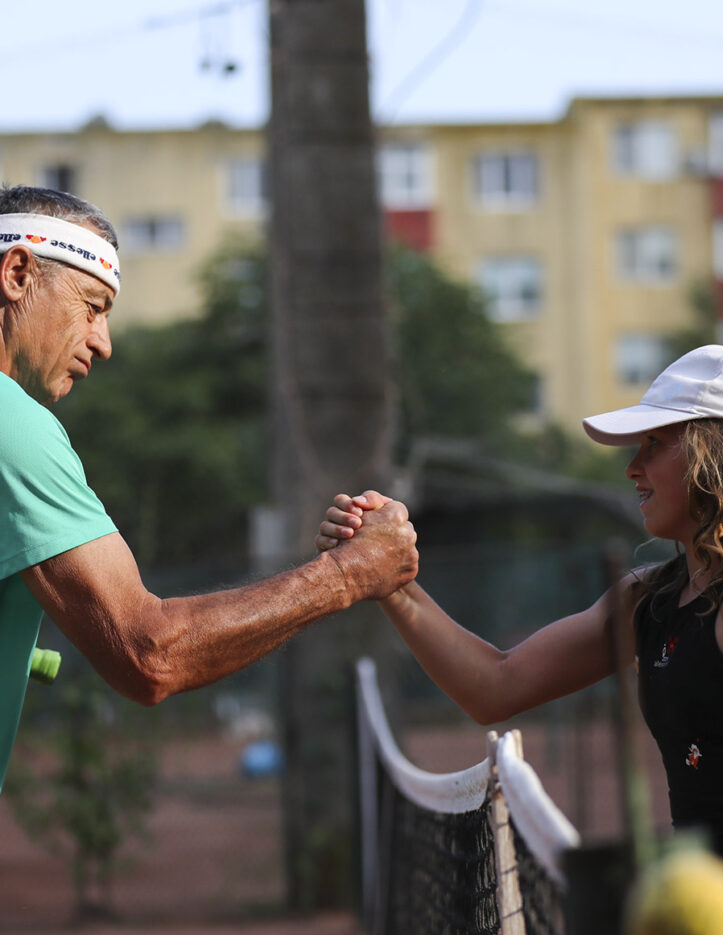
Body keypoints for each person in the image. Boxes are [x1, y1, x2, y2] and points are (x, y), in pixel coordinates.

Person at [317, 343, 723, 935]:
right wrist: (387, 577)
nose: (633, 467)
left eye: (656, 443)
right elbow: (495, 685)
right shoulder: (650, 598)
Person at [0, 184, 418, 793]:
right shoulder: (14, 425)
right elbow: (149, 654)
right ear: (17, 273)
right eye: (93, 306)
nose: (103, 342)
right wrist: (351, 573)